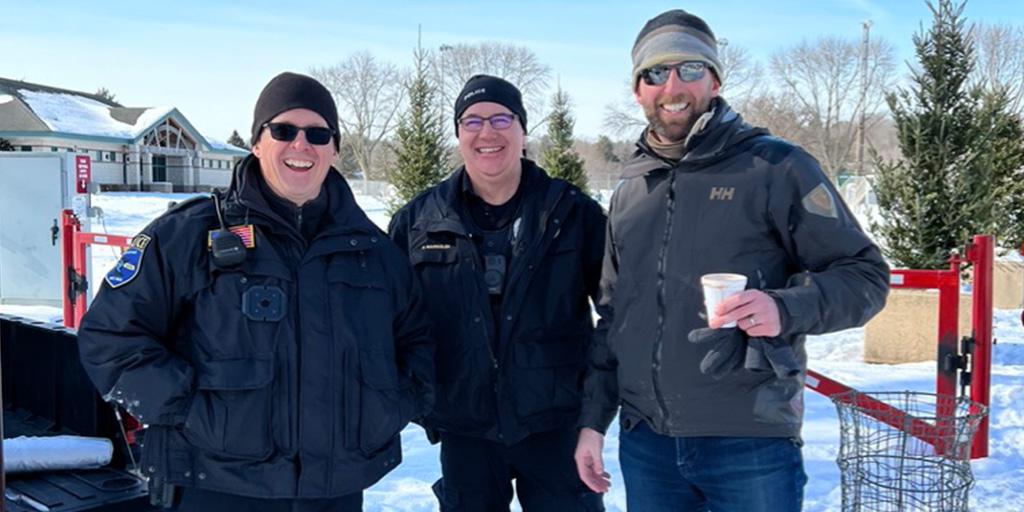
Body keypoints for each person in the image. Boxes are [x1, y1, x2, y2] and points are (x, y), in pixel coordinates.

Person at [574, 10, 890, 512]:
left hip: (748, 441)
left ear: (715, 79)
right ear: (638, 90)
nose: (672, 85)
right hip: (647, 444)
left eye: (689, 69)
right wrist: (594, 421)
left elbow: (865, 276)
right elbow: (614, 317)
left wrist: (785, 308)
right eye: (655, 73)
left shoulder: (775, 167)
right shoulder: (632, 190)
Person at [77, 72, 434, 511]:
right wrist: (188, 409)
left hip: (334, 490)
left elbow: (421, 342)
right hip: (215, 485)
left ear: (334, 149)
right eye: (283, 130)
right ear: (257, 142)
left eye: (318, 134)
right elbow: (110, 338)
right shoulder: (188, 236)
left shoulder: (376, 254)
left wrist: (387, 409)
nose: (301, 145)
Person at [388, 74, 606, 512]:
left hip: (554, 426)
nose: (487, 132)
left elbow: (619, 316)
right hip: (464, 430)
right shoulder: (418, 221)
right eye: (471, 121)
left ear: (523, 130)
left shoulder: (571, 213)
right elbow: (391, 323)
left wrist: (595, 415)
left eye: (501, 118)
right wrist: (423, 403)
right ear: (458, 135)